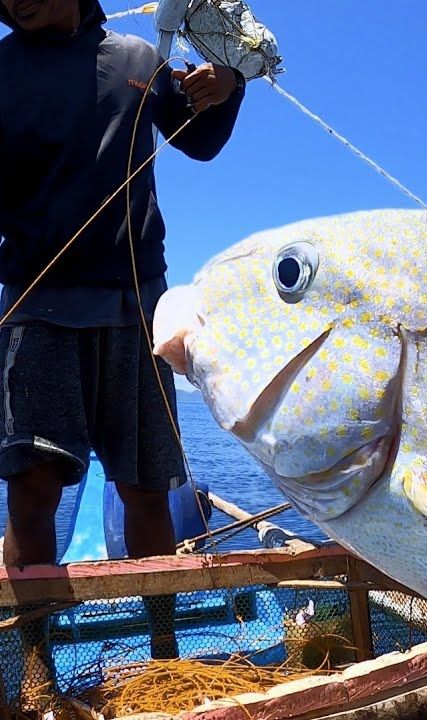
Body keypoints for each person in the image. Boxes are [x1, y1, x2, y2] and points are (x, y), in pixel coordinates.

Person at [0, 0, 245, 694]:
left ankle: (164, 661)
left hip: (136, 308)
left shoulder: (138, 59)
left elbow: (200, 139)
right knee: (32, 494)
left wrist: (227, 86)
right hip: (36, 311)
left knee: (145, 489)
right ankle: (38, 679)